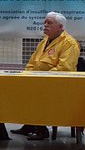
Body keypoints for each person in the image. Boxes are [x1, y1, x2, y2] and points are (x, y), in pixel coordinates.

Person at [15, 11, 81, 140]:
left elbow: (64, 69)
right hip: (39, 80)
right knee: (19, 88)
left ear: (60, 27)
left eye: (49, 23)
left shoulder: (69, 44)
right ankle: (29, 124)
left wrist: (41, 79)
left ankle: (41, 129)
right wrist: (26, 76)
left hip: (58, 84)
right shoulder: (44, 41)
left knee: (37, 93)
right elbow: (32, 62)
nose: (45, 25)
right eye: (45, 22)